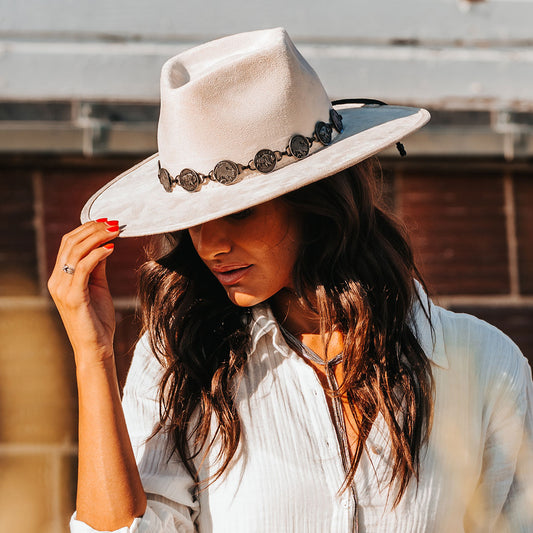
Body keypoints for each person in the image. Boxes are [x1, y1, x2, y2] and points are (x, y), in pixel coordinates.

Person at [47, 28, 533, 533]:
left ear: (314, 203)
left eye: (240, 212)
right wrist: (93, 354)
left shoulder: (484, 365)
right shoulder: (184, 359)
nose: (209, 245)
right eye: (193, 218)